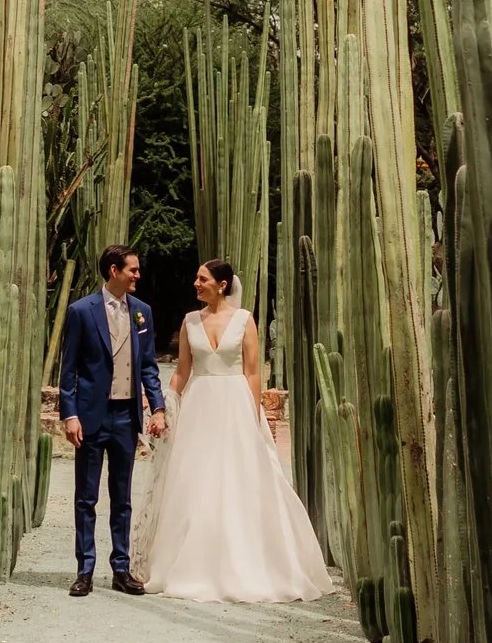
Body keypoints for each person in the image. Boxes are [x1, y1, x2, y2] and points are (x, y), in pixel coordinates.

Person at [131, 258, 331, 603]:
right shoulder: (190, 320)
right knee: (195, 480)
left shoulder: (244, 320)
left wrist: (252, 415)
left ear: (222, 285)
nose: (196, 283)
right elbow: (181, 371)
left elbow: (253, 372)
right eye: (196, 278)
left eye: (202, 279)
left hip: (235, 403)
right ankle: (189, 563)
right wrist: (164, 405)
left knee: (239, 480)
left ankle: (247, 563)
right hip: (200, 406)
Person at [55, 245, 168, 596]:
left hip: (126, 416)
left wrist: (159, 408)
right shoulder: (81, 311)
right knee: (86, 497)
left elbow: (148, 365)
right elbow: (69, 368)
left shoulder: (142, 313)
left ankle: (121, 569)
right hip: (91, 416)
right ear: (115, 271)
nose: (137, 275)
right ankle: (84, 570)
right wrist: (70, 414)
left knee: (123, 497)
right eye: (132, 270)